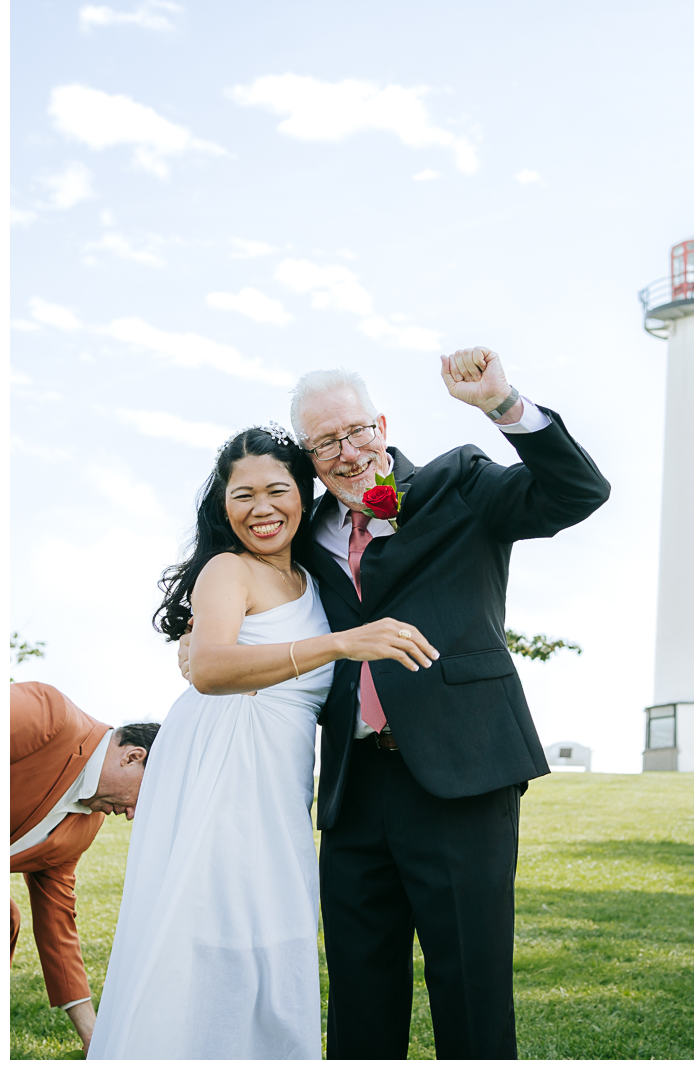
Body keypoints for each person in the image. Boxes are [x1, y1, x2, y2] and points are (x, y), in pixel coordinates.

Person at [180, 345, 610, 1059]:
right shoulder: (302, 533)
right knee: (359, 994)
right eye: (325, 443)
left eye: (355, 432)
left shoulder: (459, 484)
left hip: (464, 772)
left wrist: (503, 404)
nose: (347, 454)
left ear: (380, 423)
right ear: (309, 455)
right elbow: (243, 596)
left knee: (470, 988)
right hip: (353, 790)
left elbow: (577, 493)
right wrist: (192, 642)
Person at [88, 426, 437, 1060]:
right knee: (210, 921)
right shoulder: (229, 569)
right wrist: (337, 644)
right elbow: (212, 669)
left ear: (303, 496)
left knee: (273, 930)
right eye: (243, 494)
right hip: (222, 761)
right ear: (224, 506)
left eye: (277, 490)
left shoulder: (314, 576)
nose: (261, 508)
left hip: (279, 777)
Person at [10, 680, 160, 1056]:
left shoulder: (86, 826)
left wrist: (92, 1034)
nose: (131, 815)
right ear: (132, 757)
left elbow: (58, 924)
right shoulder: (49, 713)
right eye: (144, 798)